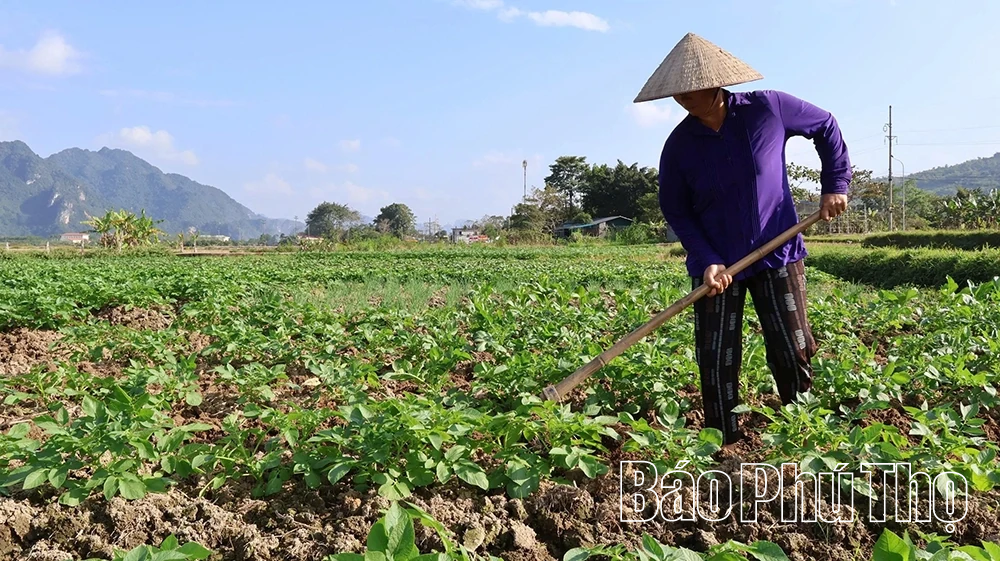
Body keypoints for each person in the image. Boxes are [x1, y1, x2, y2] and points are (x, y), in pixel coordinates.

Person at [632, 32, 851, 446]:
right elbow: (677, 209)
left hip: (777, 252)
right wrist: (707, 257)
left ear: (715, 82)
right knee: (716, 359)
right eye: (676, 94)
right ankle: (723, 446)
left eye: (690, 90)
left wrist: (835, 184)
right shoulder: (679, 146)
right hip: (717, 267)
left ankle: (801, 437)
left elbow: (826, 125)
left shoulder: (768, 108)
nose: (682, 100)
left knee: (793, 348)